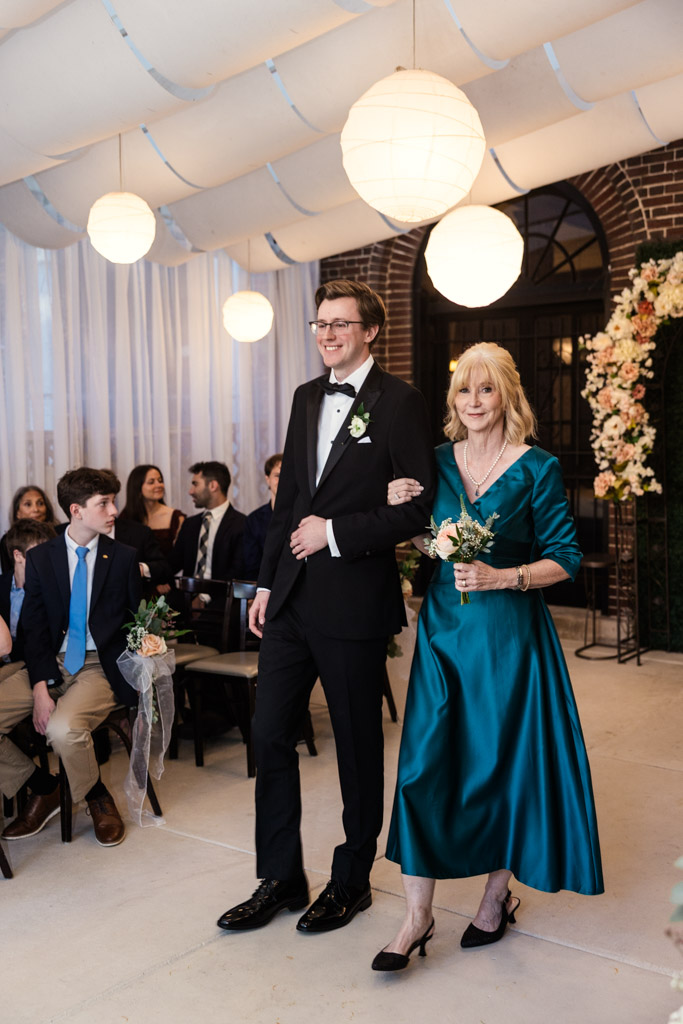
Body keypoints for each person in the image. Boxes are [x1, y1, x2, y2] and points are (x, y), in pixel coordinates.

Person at [371, 342, 603, 972]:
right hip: (445, 638)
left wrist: (502, 578)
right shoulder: (435, 462)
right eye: (463, 392)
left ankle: (495, 899)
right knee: (424, 767)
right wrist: (404, 512)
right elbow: (425, 541)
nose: (473, 402)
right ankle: (416, 915)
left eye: (486, 390)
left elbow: (567, 557)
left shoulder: (538, 469)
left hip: (510, 641)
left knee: (504, 766)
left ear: (507, 396)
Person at [217, 279, 436, 935]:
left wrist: (334, 533)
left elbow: (416, 506)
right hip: (289, 602)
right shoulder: (305, 396)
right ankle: (281, 878)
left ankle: (350, 881)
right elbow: (288, 505)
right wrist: (264, 585)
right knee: (269, 735)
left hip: (354, 604)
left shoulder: (400, 402)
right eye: (319, 324)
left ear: (370, 331)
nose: (327, 334)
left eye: (340, 323)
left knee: (356, 747)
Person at [0, 468, 141, 848]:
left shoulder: (124, 557)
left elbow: (135, 623)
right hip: (51, 662)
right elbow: (34, 626)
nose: (114, 509)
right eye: (104, 503)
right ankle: (42, 788)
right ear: (76, 510)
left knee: (63, 729)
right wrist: (41, 686)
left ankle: (96, 796)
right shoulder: (42, 558)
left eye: (112, 500)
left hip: (99, 666)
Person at [0, 519, 57, 681]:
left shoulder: (50, 591)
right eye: (40, 554)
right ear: (18, 556)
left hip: (30, 664)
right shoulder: (2, 585)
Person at [119, 464, 185, 559]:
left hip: (165, 572)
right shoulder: (125, 516)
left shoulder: (176, 517)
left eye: (160, 481)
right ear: (137, 487)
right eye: (151, 482)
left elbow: (179, 556)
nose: (159, 485)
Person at [0, 485, 59, 574]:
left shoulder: (59, 535)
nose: (36, 509)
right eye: (28, 504)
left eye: (40, 503)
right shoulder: (7, 541)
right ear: (18, 513)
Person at [243, 454, 282, 579]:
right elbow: (251, 565)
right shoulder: (253, 520)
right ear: (267, 479)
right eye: (277, 476)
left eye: (287, 476)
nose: (283, 480)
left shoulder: (304, 516)